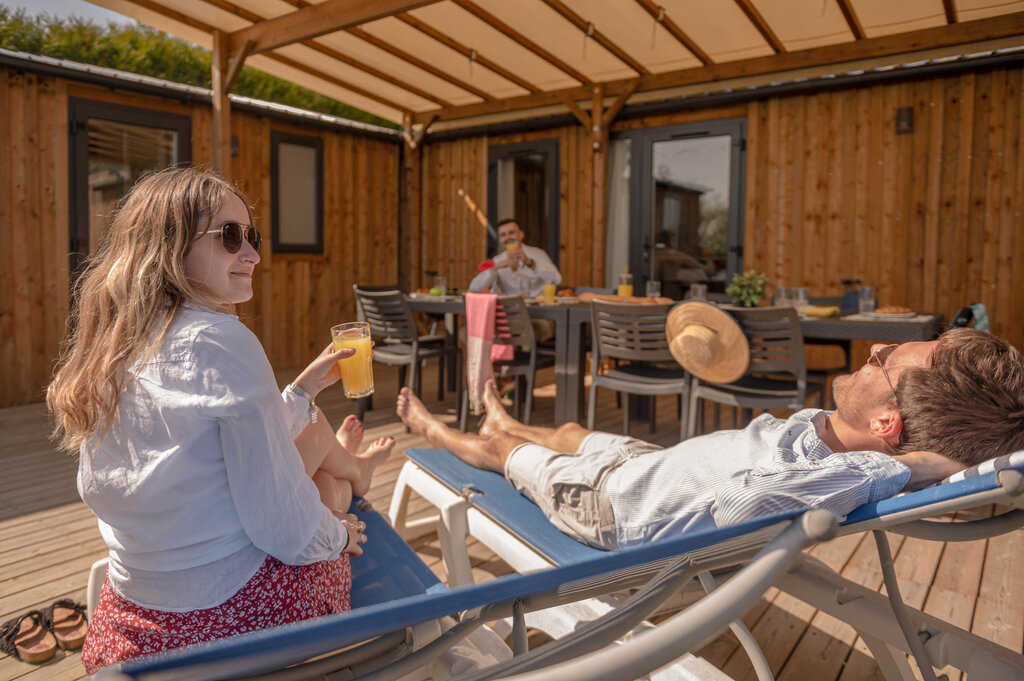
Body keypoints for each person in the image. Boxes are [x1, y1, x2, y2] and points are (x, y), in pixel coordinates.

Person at [46, 167, 389, 672]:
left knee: (312, 448)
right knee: (325, 494)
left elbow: (201, 446)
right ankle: (348, 485)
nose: (251, 253)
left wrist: (305, 387)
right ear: (170, 245)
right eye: (230, 236)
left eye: (252, 237)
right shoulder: (219, 339)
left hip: (135, 614)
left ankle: (348, 477)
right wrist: (338, 535)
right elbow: (286, 530)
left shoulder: (114, 342)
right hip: (231, 620)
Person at [396, 327, 1024, 550]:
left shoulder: (846, 471)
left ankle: (438, 430)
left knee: (507, 457)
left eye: (883, 360)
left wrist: (903, 468)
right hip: (658, 466)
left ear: (887, 427)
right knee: (567, 430)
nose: (873, 351)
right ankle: (509, 419)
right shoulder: (845, 438)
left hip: (617, 508)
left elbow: (741, 507)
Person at [469, 218, 561, 299]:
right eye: (503, 235)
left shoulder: (538, 254)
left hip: (538, 311)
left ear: (521, 235)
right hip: (507, 312)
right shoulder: (497, 260)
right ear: (500, 239)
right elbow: (474, 289)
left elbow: (557, 279)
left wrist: (530, 262)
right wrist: (496, 266)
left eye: (511, 233)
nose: (508, 237)